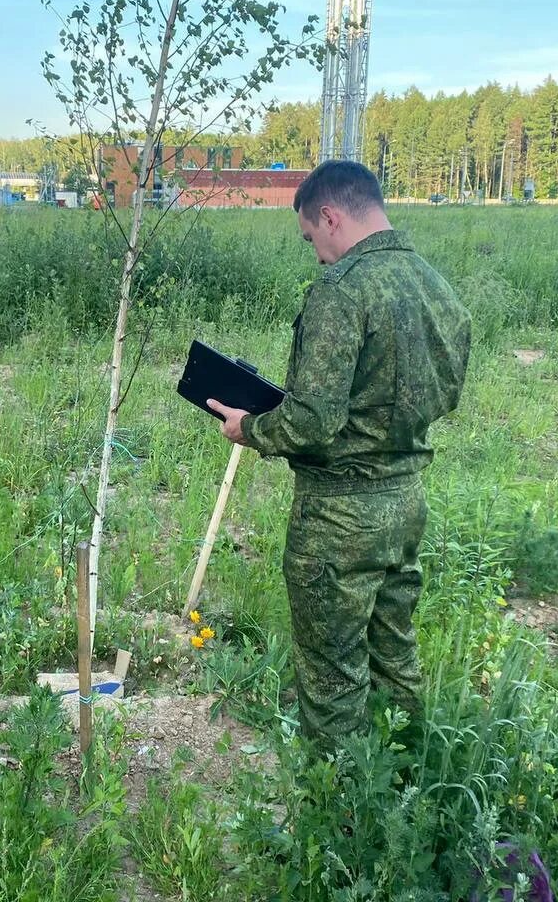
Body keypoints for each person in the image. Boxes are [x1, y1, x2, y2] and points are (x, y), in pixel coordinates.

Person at [207, 160, 471, 750]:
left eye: (311, 238)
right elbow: (445, 394)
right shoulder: (436, 286)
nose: (318, 255)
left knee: (331, 675)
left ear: (329, 215)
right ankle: (403, 783)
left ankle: (340, 820)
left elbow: (313, 422)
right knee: (393, 655)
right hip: (406, 501)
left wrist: (249, 426)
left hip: (337, 518)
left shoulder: (341, 290)